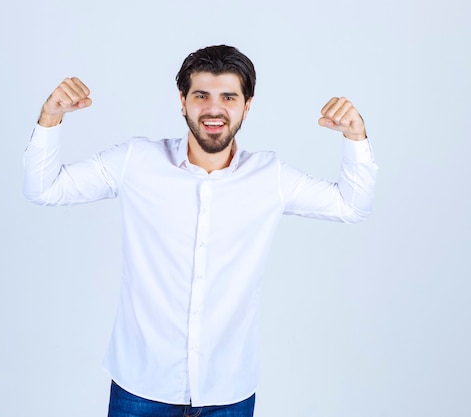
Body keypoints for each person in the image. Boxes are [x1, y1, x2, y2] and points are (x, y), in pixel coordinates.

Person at [23, 45, 378, 417]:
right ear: (183, 101)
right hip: (140, 387)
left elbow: (351, 206)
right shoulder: (136, 162)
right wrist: (50, 118)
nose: (214, 109)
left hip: (228, 391)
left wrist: (355, 137)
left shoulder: (269, 177)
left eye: (229, 97)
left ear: (247, 105)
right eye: (201, 96)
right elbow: (44, 188)